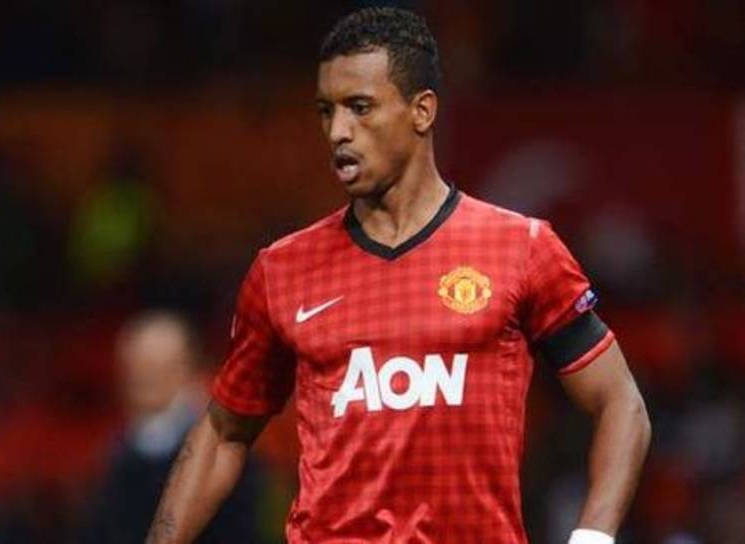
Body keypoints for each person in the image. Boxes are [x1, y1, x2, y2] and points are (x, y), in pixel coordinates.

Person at [147, 7, 651, 544]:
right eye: (326, 111)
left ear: (421, 111)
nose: (338, 131)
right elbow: (223, 432)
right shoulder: (283, 270)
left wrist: (593, 536)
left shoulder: (520, 248)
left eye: (359, 107)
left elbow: (620, 404)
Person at [80, 312, 261, 543]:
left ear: (188, 371)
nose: (143, 379)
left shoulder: (224, 452)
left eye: (156, 368)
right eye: (136, 368)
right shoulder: (113, 456)